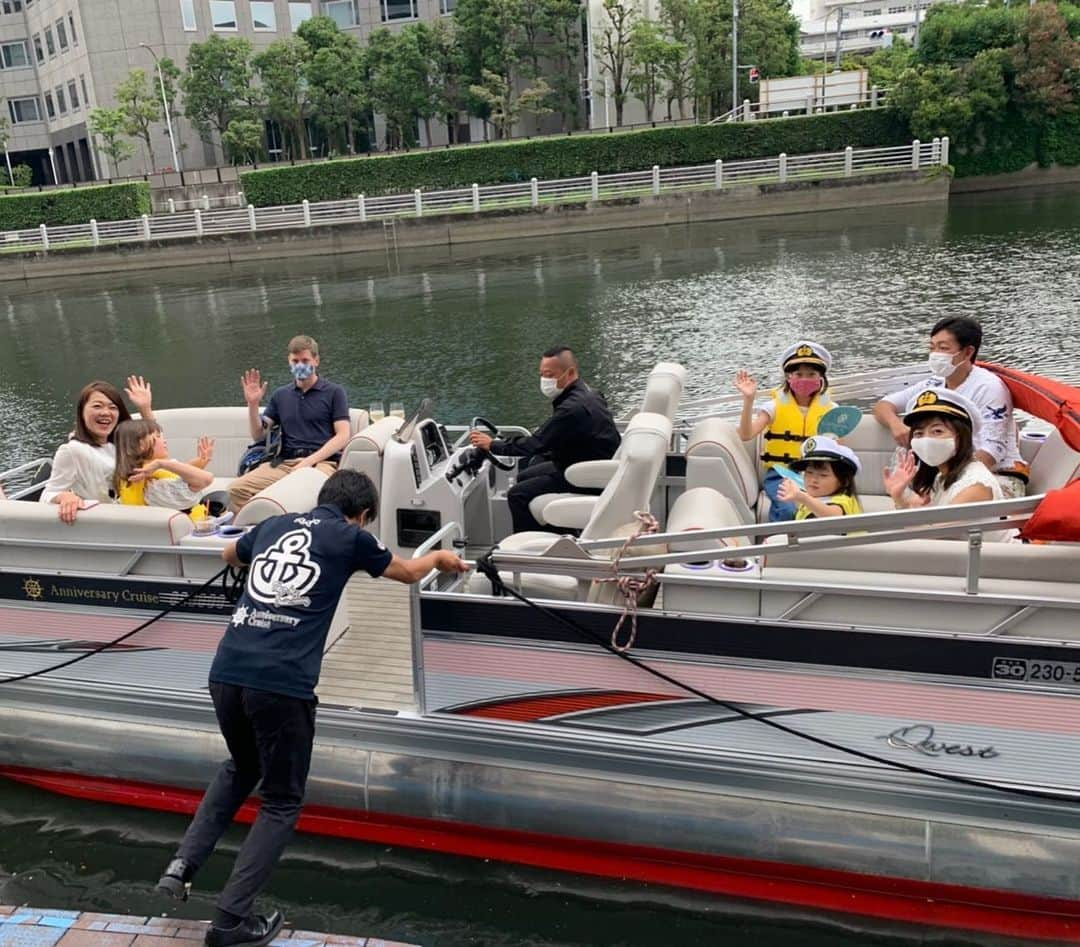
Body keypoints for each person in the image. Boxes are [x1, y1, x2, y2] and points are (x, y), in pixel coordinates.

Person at [156, 469, 468, 947]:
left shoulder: (275, 525)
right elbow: (406, 572)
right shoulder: (351, 538)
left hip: (226, 672)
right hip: (281, 685)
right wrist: (440, 557)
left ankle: (182, 866)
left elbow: (226, 552)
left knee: (241, 767)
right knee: (281, 801)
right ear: (363, 515)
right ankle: (230, 921)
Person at [468, 346, 621, 533]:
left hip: (584, 476)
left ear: (570, 372)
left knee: (517, 495)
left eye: (549, 375)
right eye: (542, 375)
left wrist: (491, 444)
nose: (544, 380)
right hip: (583, 463)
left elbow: (533, 445)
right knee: (523, 475)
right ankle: (560, 532)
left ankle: (530, 553)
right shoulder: (590, 394)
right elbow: (556, 437)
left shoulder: (571, 409)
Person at [872, 317, 1027, 498]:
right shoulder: (934, 384)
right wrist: (896, 425)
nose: (935, 354)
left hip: (996, 476)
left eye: (943, 348)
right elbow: (883, 405)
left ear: (968, 352)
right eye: (932, 348)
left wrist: (946, 483)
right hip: (945, 472)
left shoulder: (989, 388)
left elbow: (992, 452)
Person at [229, 336, 351, 513]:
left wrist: (309, 462)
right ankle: (267, 530)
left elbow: (343, 435)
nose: (300, 365)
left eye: (305, 360)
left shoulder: (334, 392)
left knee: (297, 490)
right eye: (295, 361)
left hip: (322, 463)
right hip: (285, 463)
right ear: (289, 361)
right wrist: (253, 405)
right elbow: (259, 435)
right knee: (236, 490)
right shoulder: (281, 395)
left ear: (316, 360)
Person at [882, 388, 1009, 540]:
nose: (926, 440)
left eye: (937, 431)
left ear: (961, 437)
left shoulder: (976, 485)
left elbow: (931, 535)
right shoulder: (940, 474)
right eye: (919, 434)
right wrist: (899, 497)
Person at [735, 341, 836, 522]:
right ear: (789, 377)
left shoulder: (832, 410)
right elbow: (746, 434)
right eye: (799, 374)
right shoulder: (773, 407)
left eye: (811, 374)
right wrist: (749, 400)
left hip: (817, 472)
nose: (804, 379)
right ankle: (776, 543)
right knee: (788, 509)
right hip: (781, 473)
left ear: (821, 377)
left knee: (830, 508)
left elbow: (840, 452)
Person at [39, 376, 155, 524]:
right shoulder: (73, 451)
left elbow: (155, 449)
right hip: (107, 523)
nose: (105, 412)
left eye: (112, 407)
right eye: (97, 406)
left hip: (138, 514)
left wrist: (145, 408)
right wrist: (64, 497)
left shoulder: (120, 443)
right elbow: (48, 494)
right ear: (82, 412)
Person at [113, 419, 215, 519]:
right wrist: (161, 463)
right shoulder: (155, 487)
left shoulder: (135, 475)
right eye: (158, 437)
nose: (164, 441)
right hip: (191, 531)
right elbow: (206, 479)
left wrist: (201, 461)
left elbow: (178, 474)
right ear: (140, 445)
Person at [777, 436, 863, 520]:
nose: (813, 479)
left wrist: (803, 498)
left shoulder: (843, 500)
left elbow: (833, 516)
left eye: (823, 475)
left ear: (844, 480)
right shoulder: (814, 498)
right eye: (809, 472)